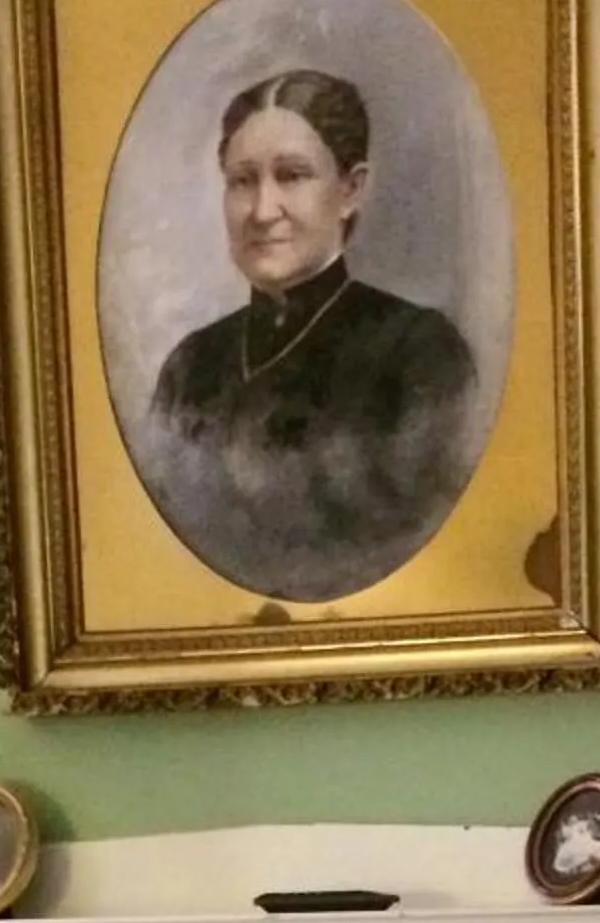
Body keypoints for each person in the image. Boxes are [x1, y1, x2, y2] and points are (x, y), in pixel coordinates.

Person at [140, 70, 480, 603]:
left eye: (293, 176)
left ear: (351, 190)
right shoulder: (191, 365)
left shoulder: (417, 352)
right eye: (242, 180)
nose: (262, 210)